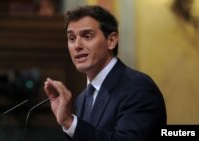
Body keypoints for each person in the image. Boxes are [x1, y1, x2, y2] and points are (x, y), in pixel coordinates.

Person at [44, 5, 166, 141]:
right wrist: (69, 124)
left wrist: (70, 122)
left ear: (111, 41)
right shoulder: (82, 98)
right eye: (72, 38)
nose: (77, 45)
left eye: (87, 36)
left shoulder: (137, 87)